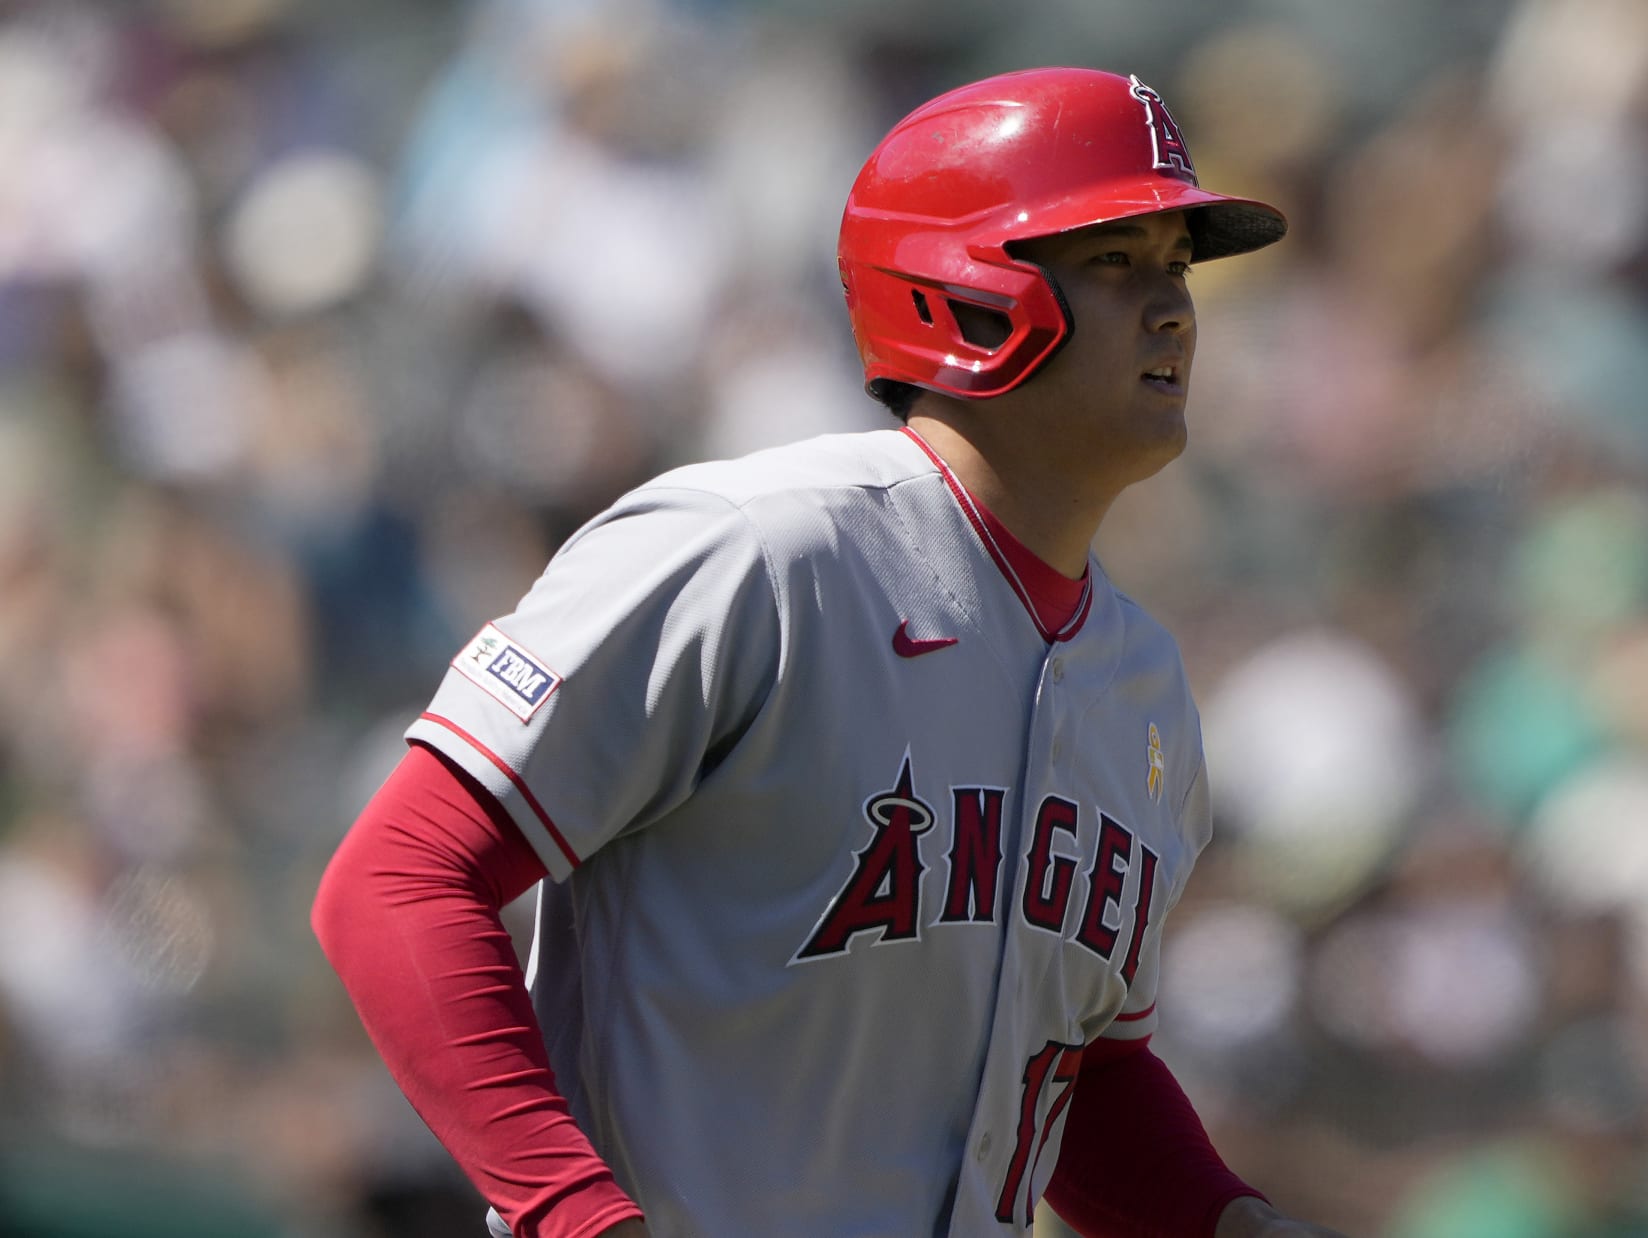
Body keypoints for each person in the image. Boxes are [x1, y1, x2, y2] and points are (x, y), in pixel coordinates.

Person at [313, 66, 1352, 1238]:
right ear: (964, 290)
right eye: (1114, 261)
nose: (1172, 308)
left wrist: (1228, 1221)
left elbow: (1078, 1076)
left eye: (1177, 264)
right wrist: (576, 1213)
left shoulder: (1147, 688)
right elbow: (398, 879)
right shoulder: (756, 553)